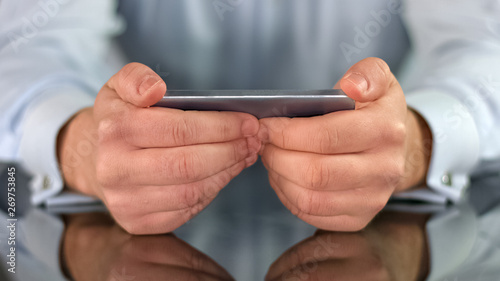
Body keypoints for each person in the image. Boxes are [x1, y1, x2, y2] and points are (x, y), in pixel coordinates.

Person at [0, 0, 499, 235]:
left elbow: (484, 44)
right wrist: (78, 144)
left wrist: (417, 140)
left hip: (375, 217)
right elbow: (31, 46)